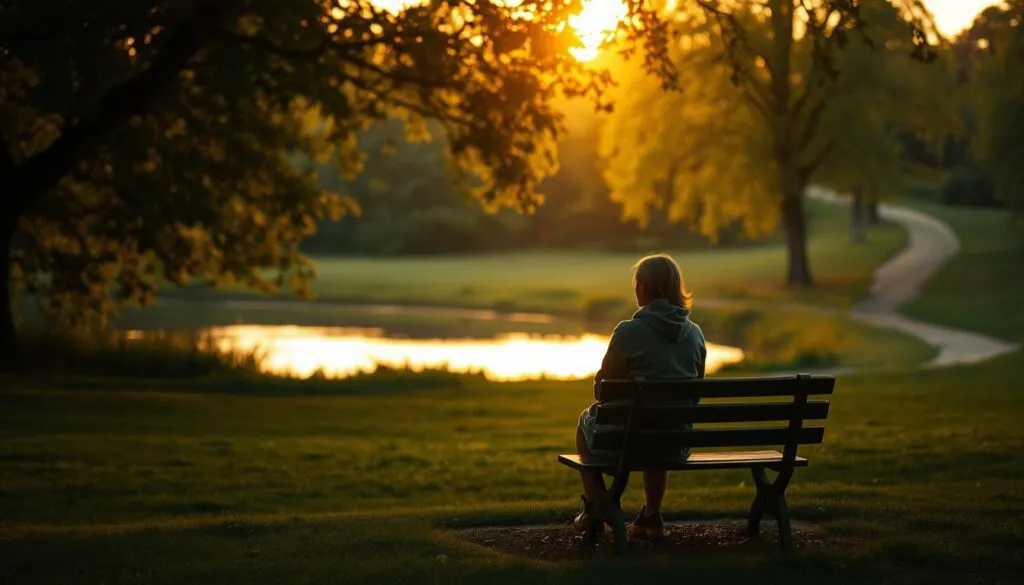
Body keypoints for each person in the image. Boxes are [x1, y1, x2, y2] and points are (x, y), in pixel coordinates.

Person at [573, 253, 707, 540]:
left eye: (637, 284)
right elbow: (695, 395)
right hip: (675, 442)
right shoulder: (695, 334)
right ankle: (651, 516)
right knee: (661, 427)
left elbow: (603, 391)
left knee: (585, 422)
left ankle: (600, 506)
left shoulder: (628, 332)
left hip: (628, 442)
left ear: (643, 287)